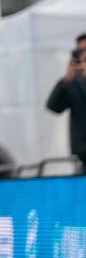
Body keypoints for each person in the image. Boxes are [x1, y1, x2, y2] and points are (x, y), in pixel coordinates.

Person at [45, 32, 86, 169]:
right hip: (82, 157)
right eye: (80, 51)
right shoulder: (75, 81)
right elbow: (54, 107)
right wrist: (66, 80)